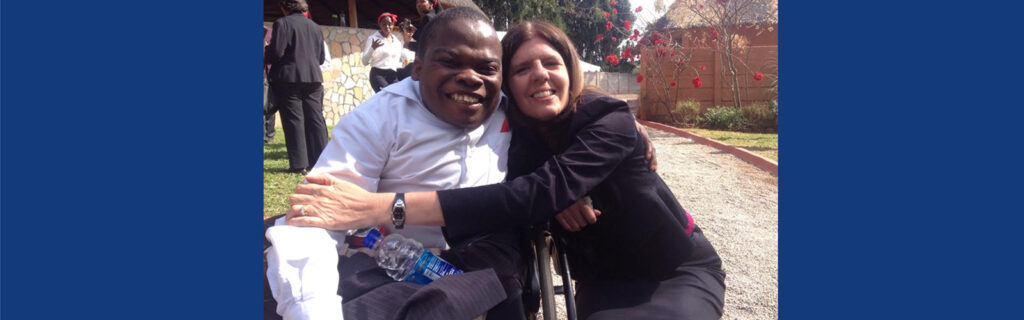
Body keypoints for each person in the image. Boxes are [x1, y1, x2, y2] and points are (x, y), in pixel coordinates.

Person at [287, 20, 726, 319]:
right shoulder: (512, 126)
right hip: (602, 282)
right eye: (522, 68)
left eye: (552, 64)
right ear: (508, 87)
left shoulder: (608, 119)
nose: (540, 76)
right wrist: (559, 197)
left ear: (570, 69)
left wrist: (384, 207)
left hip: (671, 269)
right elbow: (535, 189)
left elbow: (530, 194)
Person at [266, 8, 532, 320]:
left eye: (487, 68)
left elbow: (573, 115)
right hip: (390, 257)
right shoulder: (379, 118)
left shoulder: (510, 110)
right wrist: (313, 310)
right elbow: (318, 219)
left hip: (480, 258)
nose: (471, 77)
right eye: (450, 61)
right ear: (417, 67)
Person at [265, 0, 328, 174]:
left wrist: (266, 50)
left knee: (294, 120)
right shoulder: (315, 27)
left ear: (285, 8)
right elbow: (321, 58)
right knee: (315, 120)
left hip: (289, 78)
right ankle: (322, 161)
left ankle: (299, 165)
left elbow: (276, 53)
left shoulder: (282, 23)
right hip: (314, 78)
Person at [362, 12, 413, 93]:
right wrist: (372, 48)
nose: (387, 26)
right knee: (387, 95)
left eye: (389, 24)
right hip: (378, 74)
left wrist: (406, 42)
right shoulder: (373, 38)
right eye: (384, 24)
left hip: (392, 74)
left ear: (393, 25)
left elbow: (400, 59)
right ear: (379, 24)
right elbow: (364, 62)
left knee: (397, 97)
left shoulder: (396, 41)